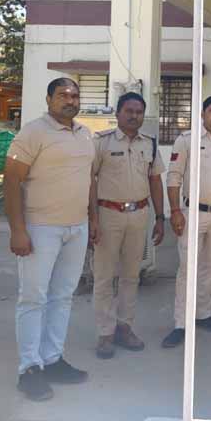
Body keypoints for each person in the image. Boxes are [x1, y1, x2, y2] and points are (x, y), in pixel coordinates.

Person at [4, 78, 94, 401]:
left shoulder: (85, 134)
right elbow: (11, 180)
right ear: (48, 99)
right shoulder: (33, 132)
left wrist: (92, 221)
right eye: (62, 95)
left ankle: (52, 359)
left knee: (62, 297)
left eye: (75, 95)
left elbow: (89, 179)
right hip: (40, 229)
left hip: (76, 228)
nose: (70, 100)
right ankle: (29, 369)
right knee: (33, 298)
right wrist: (18, 229)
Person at [89, 92, 166, 359]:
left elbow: (155, 180)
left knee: (131, 276)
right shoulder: (101, 142)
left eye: (139, 112)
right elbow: (90, 181)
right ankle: (105, 333)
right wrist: (92, 219)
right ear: (118, 113)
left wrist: (160, 218)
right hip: (108, 214)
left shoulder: (150, 144)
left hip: (139, 215)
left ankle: (124, 327)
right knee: (104, 276)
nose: (134, 116)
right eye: (129, 111)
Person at [162, 95, 211, 348]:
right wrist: (175, 211)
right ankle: (181, 323)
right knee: (188, 268)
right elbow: (174, 177)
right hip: (193, 213)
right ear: (202, 114)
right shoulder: (186, 140)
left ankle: (203, 314)